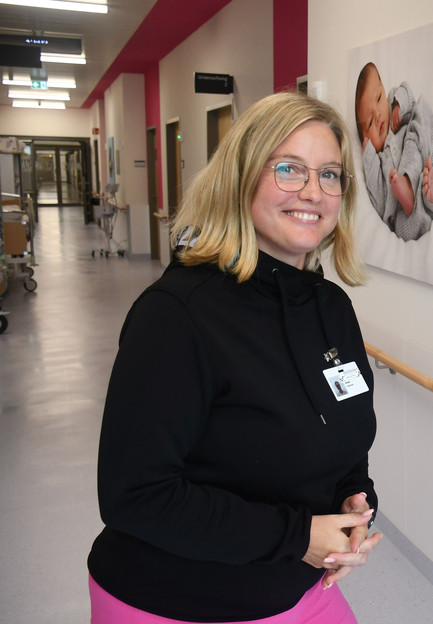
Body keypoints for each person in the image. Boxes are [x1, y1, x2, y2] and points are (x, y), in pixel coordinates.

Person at [87, 91, 381, 624]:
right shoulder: (178, 314)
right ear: (241, 178)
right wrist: (297, 535)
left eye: (331, 174)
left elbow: (343, 436)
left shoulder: (330, 307)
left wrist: (353, 500)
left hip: (296, 586)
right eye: (289, 169)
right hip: (177, 601)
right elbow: (135, 496)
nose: (313, 191)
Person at [354, 61, 433, 241]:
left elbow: (407, 92)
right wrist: (369, 159)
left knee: (421, 110)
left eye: (379, 98)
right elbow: (379, 201)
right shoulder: (380, 161)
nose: (378, 116)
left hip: (425, 169)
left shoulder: (394, 108)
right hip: (407, 213)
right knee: (391, 187)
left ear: (384, 91)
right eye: (369, 123)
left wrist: (399, 104)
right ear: (364, 138)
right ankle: (411, 192)